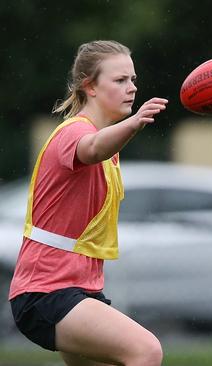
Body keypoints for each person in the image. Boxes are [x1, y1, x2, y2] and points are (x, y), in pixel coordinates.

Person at [8, 40, 168, 366]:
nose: (131, 88)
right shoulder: (74, 132)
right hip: (46, 292)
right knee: (146, 351)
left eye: (133, 80)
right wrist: (135, 122)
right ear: (89, 87)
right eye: (120, 80)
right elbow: (93, 148)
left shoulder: (110, 144)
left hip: (80, 290)